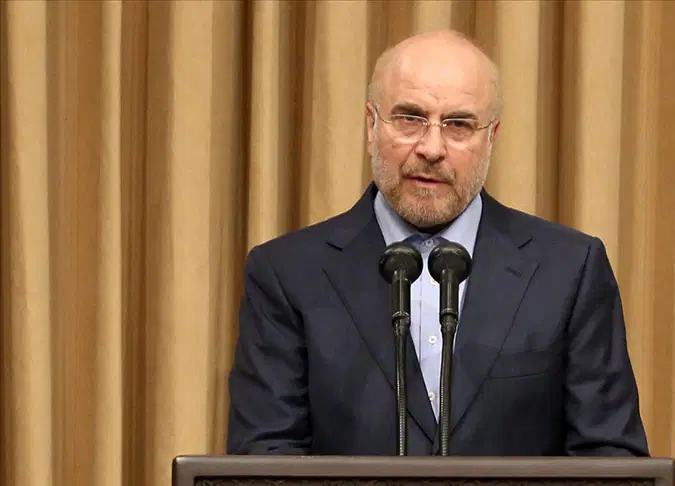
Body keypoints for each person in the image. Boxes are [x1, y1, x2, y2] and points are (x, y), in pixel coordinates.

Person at [226, 30, 649, 457]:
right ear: (371, 126)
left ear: (491, 138)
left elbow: (610, 459)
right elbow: (265, 459)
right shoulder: (286, 274)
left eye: (458, 125)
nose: (431, 148)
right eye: (410, 118)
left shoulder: (569, 270)